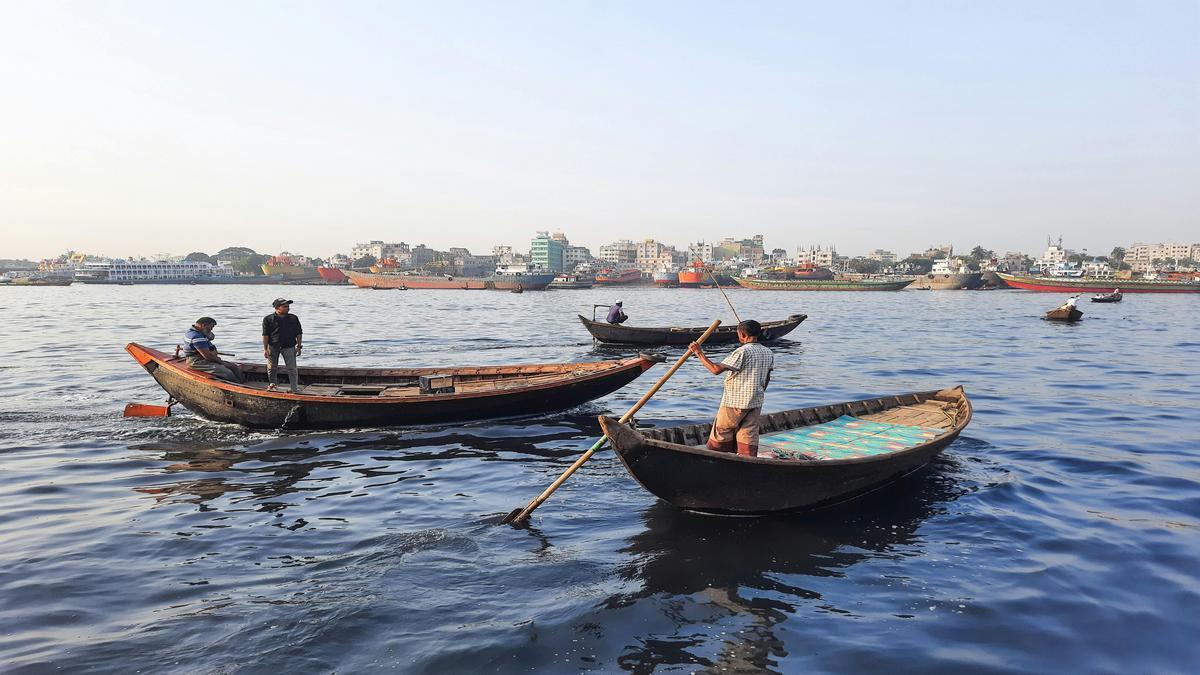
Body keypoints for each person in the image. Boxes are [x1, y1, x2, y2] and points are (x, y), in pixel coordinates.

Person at [688, 319, 775, 457]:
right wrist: (758, 392)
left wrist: (698, 352)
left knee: (722, 431)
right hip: (756, 400)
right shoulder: (768, 352)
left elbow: (715, 369)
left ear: (742, 334)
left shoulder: (742, 352)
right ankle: (748, 460)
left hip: (735, 402)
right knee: (748, 433)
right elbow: (767, 378)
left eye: (738, 333)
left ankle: (717, 459)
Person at [182, 317, 244, 384]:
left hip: (207, 358)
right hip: (197, 361)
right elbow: (207, 356)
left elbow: (211, 337)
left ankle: (241, 383)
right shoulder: (196, 336)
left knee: (234, 367)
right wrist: (220, 361)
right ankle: (237, 386)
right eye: (211, 326)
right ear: (204, 325)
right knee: (226, 372)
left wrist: (208, 334)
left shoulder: (197, 332)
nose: (212, 329)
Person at [262, 298, 303, 392]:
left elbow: (299, 333)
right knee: (272, 368)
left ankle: (294, 388)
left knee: (292, 368)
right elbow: (265, 335)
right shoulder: (268, 319)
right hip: (273, 346)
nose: (288, 308)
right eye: (285, 306)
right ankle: (273, 385)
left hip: (289, 346)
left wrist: (299, 346)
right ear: (277, 308)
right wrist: (265, 349)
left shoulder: (293, 318)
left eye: (288, 306)